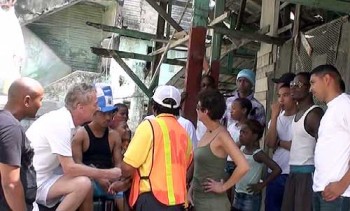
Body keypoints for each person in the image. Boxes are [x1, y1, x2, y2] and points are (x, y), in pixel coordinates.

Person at [26, 83, 121, 211]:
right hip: (34, 183)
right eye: (95, 104)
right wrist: (107, 173)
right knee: (83, 183)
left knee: (86, 183)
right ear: (80, 107)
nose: (97, 108)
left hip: (44, 177)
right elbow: (69, 168)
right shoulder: (60, 123)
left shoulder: (71, 124)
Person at [117, 85, 193, 210]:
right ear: (179, 109)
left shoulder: (149, 126)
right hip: (178, 202)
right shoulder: (184, 134)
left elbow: (127, 168)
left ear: (154, 107)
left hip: (151, 199)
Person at [188, 89, 249, 211]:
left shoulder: (222, 135)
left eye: (198, 107)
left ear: (206, 111)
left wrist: (223, 187)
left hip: (212, 203)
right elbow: (201, 168)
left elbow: (244, 166)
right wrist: (191, 190)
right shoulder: (208, 131)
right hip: (198, 199)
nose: (196, 110)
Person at [71, 85, 127, 210]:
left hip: (109, 180)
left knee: (122, 190)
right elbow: (77, 164)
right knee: (85, 185)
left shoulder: (114, 136)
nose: (108, 118)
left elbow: (118, 165)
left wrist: (116, 181)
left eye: (110, 113)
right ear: (94, 111)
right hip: (89, 180)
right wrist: (97, 177)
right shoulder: (81, 134)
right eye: (103, 113)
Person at [281, 72, 324, 211]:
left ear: (309, 88)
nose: (293, 87)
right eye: (292, 84)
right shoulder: (299, 113)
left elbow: (323, 147)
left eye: (298, 84)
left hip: (307, 174)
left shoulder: (314, 114)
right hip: (293, 171)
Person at [310, 64, 350, 210]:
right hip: (323, 191)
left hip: (340, 194)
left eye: (313, 82)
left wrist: (342, 184)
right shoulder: (330, 110)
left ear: (327, 79)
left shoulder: (345, 105)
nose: (310, 89)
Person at [0, 77, 44, 211]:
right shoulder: (11, 128)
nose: (41, 105)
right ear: (27, 101)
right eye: (40, 99)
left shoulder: (3, 121)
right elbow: (11, 184)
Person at [233, 120, 281, 211]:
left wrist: (262, 184)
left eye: (245, 132)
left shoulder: (258, 154)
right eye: (241, 132)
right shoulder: (242, 149)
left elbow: (277, 169)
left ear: (254, 136)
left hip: (250, 197)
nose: (241, 135)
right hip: (238, 193)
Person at [265, 77, 297, 211]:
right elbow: (270, 143)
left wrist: (280, 142)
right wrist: (273, 117)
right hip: (276, 172)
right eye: (279, 96)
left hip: (294, 173)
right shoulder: (276, 119)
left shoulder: (301, 117)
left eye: (285, 95)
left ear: (294, 96)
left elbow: (297, 147)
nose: (281, 100)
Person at [196, 74, 217, 140]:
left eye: (209, 85)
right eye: (203, 85)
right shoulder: (198, 103)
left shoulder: (218, 104)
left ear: (213, 87)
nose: (206, 88)